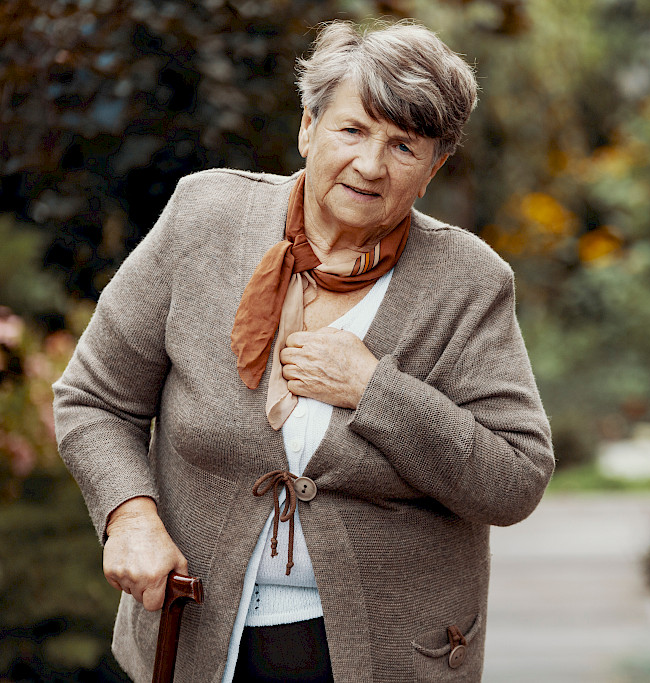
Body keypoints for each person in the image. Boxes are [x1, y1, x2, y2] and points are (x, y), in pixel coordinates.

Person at [52, 19, 553, 683]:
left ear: (434, 167)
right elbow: (94, 398)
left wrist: (376, 389)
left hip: (388, 658)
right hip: (198, 639)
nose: (371, 165)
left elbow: (515, 477)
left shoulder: (468, 281)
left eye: (404, 145)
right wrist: (130, 515)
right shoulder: (204, 218)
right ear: (308, 127)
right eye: (352, 130)